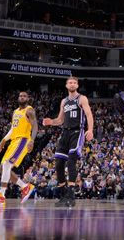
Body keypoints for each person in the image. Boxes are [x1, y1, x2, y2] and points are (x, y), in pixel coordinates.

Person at [42, 77, 94, 208]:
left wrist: (90, 130)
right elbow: (60, 120)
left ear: (77, 85)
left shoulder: (82, 98)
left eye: (75, 82)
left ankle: (71, 195)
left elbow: (89, 115)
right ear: (66, 85)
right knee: (58, 164)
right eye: (70, 82)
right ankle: (63, 194)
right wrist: (51, 122)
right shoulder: (64, 101)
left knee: (71, 161)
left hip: (77, 132)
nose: (72, 84)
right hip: (65, 133)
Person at [0, 90, 38, 207]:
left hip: (23, 141)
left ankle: (1, 196)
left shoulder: (29, 110)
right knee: (3, 168)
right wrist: (4, 140)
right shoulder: (15, 112)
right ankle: (25, 187)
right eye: (20, 95)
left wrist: (32, 140)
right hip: (13, 141)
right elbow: (13, 129)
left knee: (6, 165)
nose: (22, 97)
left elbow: (35, 125)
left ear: (28, 98)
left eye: (24, 96)